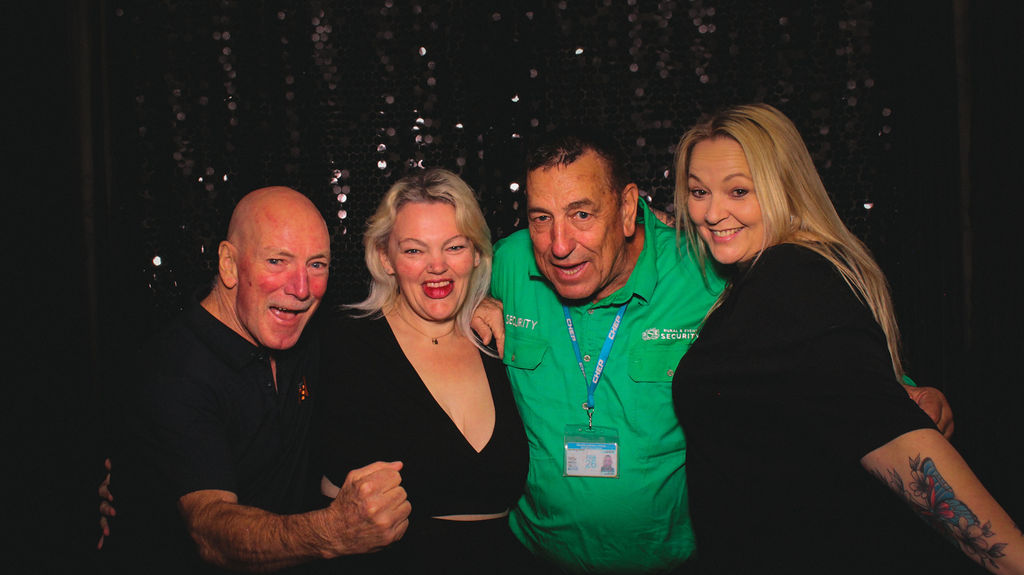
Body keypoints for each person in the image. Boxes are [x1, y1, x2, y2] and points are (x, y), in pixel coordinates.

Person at [480, 127, 956, 574]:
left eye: (582, 215)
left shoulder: (703, 269)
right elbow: (439, 290)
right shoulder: (509, 263)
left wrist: (904, 393)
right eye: (541, 218)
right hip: (532, 560)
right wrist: (468, 309)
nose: (559, 244)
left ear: (627, 208)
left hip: (680, 563)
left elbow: (812, 340)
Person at [671, 103, 1023, 574]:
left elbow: (889, 433)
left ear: (784, 187)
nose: (713, 213)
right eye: (698, 192)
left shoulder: (792, 278)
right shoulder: (775, 274)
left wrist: (1011, 558)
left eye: (739, 190)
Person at [105, 187, 411, 574]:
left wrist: (475, 311)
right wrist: (332, 531)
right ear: (229, 265)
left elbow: (406, 317)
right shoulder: (175, 370)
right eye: (276, 261)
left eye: (317, 265)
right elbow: (210, 530)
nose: (301, 288)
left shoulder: (306, 336)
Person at [315, 169, 533, 573]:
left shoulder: (498, 340)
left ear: (476, 254)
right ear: (386, 258)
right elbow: (330, 502)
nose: (437, 266)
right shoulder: (346, 345)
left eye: (454, 246)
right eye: (415, 250)